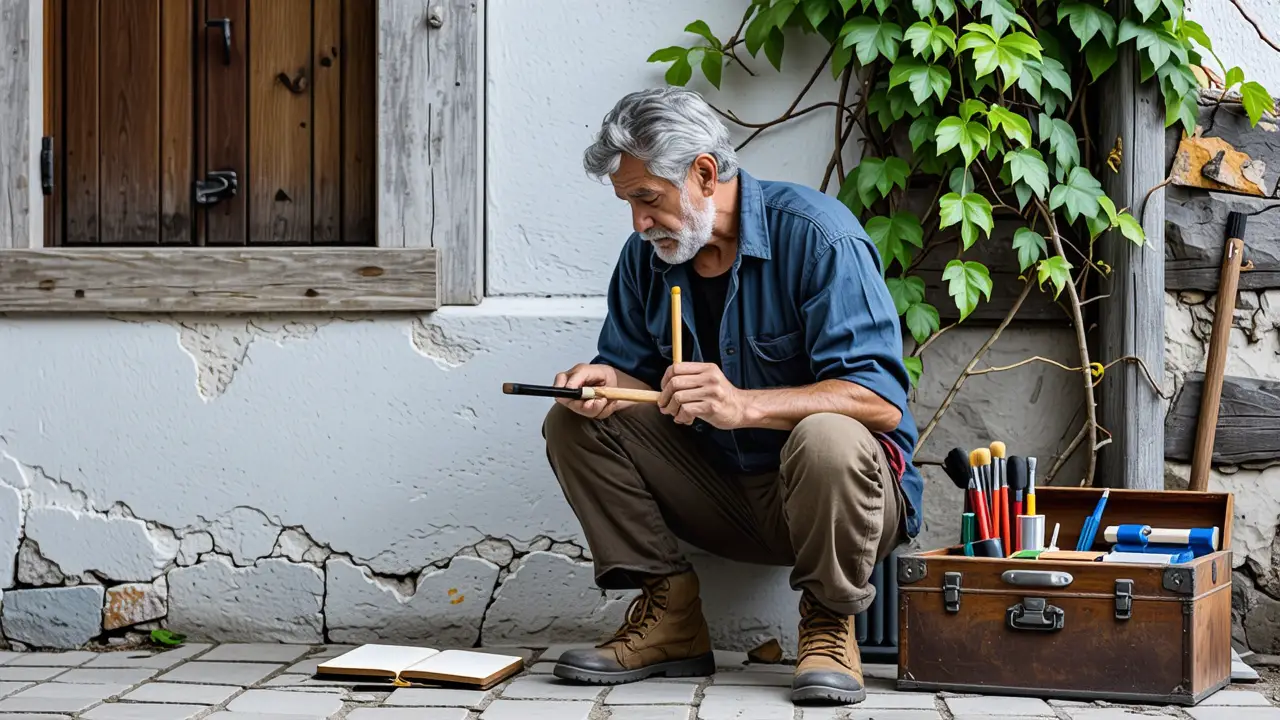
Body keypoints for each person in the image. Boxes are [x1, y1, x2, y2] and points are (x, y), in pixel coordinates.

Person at [540, 86, 923, 706]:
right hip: (717, 491)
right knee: (576, 422)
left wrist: (744, 404)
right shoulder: (647, 259)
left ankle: (830, 622)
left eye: (647, 198)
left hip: (840, 504)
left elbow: (879, 402)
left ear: (705, 173)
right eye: (629, 203)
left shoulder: (820, 238)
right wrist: (610, 386)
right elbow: (637, 386)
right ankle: (671, 617)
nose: (638, 222)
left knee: (829, 434)